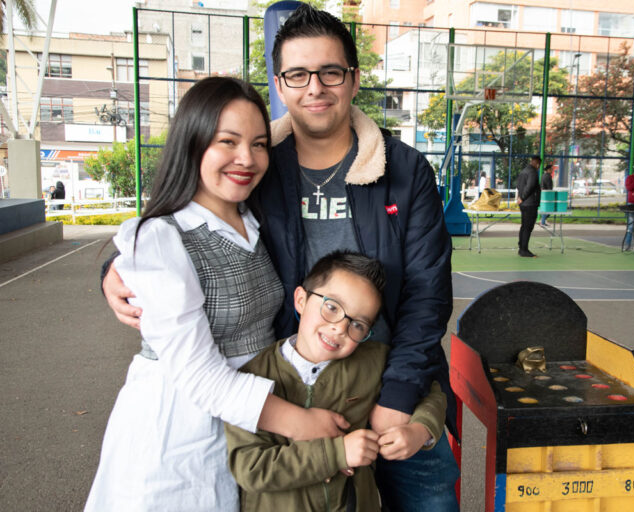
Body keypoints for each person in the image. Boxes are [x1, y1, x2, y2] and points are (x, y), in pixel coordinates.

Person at [102, 4, 460, 510]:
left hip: (392, 381)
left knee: (426, 498)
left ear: (353, 80)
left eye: (330, 72)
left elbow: (427, 292)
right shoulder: (257, 164)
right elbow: (181, 217)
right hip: (294, 390)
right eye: (298, 74)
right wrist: (114, 270)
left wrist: (398, 397)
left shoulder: (404, 169)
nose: (315, 87)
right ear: (280, 83)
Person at [86, 77, 348, 512]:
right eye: (227, 141)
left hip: (245, 430)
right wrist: (302, 423)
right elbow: (199, 377)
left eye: (260, 144)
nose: (247, 158)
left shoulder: (256, 221)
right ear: (193, 143)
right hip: (175, 434)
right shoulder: (160, 239)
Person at [226, 251, 446, 511]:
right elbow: (251, 469)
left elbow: (430, 392)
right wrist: (338, 453)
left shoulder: (373, 361)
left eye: (358, 324)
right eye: (332, 307)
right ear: (301, 300)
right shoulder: (252, 378)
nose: (341, 328)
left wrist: (420, 431)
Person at [516, 155, 542, 257]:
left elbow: (518, 186)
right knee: (528, 227)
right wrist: (523, 197)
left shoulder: (523, 171)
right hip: (530, 203)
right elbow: (530, 186)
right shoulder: (532, 172)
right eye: (539, 165)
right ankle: (524, 249)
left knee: (524, 226)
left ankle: (521, 247)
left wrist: (520, 198)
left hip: (523, 204)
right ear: (537, 163)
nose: (538, 167)